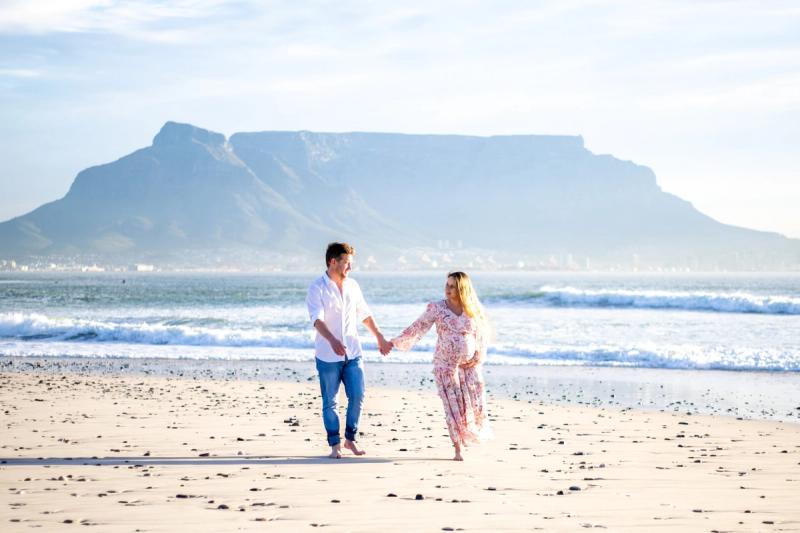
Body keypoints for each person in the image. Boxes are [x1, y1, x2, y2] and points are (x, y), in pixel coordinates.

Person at [389, 271, 491, 461]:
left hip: (469, 367)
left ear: (462, 289)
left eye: (452, 286)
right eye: (447, 285)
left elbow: (481, 336)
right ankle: (457, 448)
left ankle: (468, 435)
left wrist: (477, 358)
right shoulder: (437, 308)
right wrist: (394, 342)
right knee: (452, 407)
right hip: (445, 366)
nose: (448, 289)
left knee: (470, 405)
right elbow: (418, 327)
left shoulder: (472, 310)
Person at [306, 242, 392, 459]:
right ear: (332, 262)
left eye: (351, 263)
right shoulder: (317, 288)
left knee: (358, 395)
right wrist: (333, 340)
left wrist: (379, 336)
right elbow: (317, 320)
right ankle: (334, 444)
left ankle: (350, 439)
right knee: (330, 401)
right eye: (346, 263)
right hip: (327, 355)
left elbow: (364, 313)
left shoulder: (353, 286)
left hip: (353, 352)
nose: (350, 268)